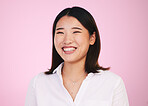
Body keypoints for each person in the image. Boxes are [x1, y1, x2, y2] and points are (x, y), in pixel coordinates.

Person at [25, 6, 129, 106]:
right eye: (60, 32)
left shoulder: (112, 83)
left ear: (92, 38)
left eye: (76, 32)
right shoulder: (38, 83)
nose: (67, 40)